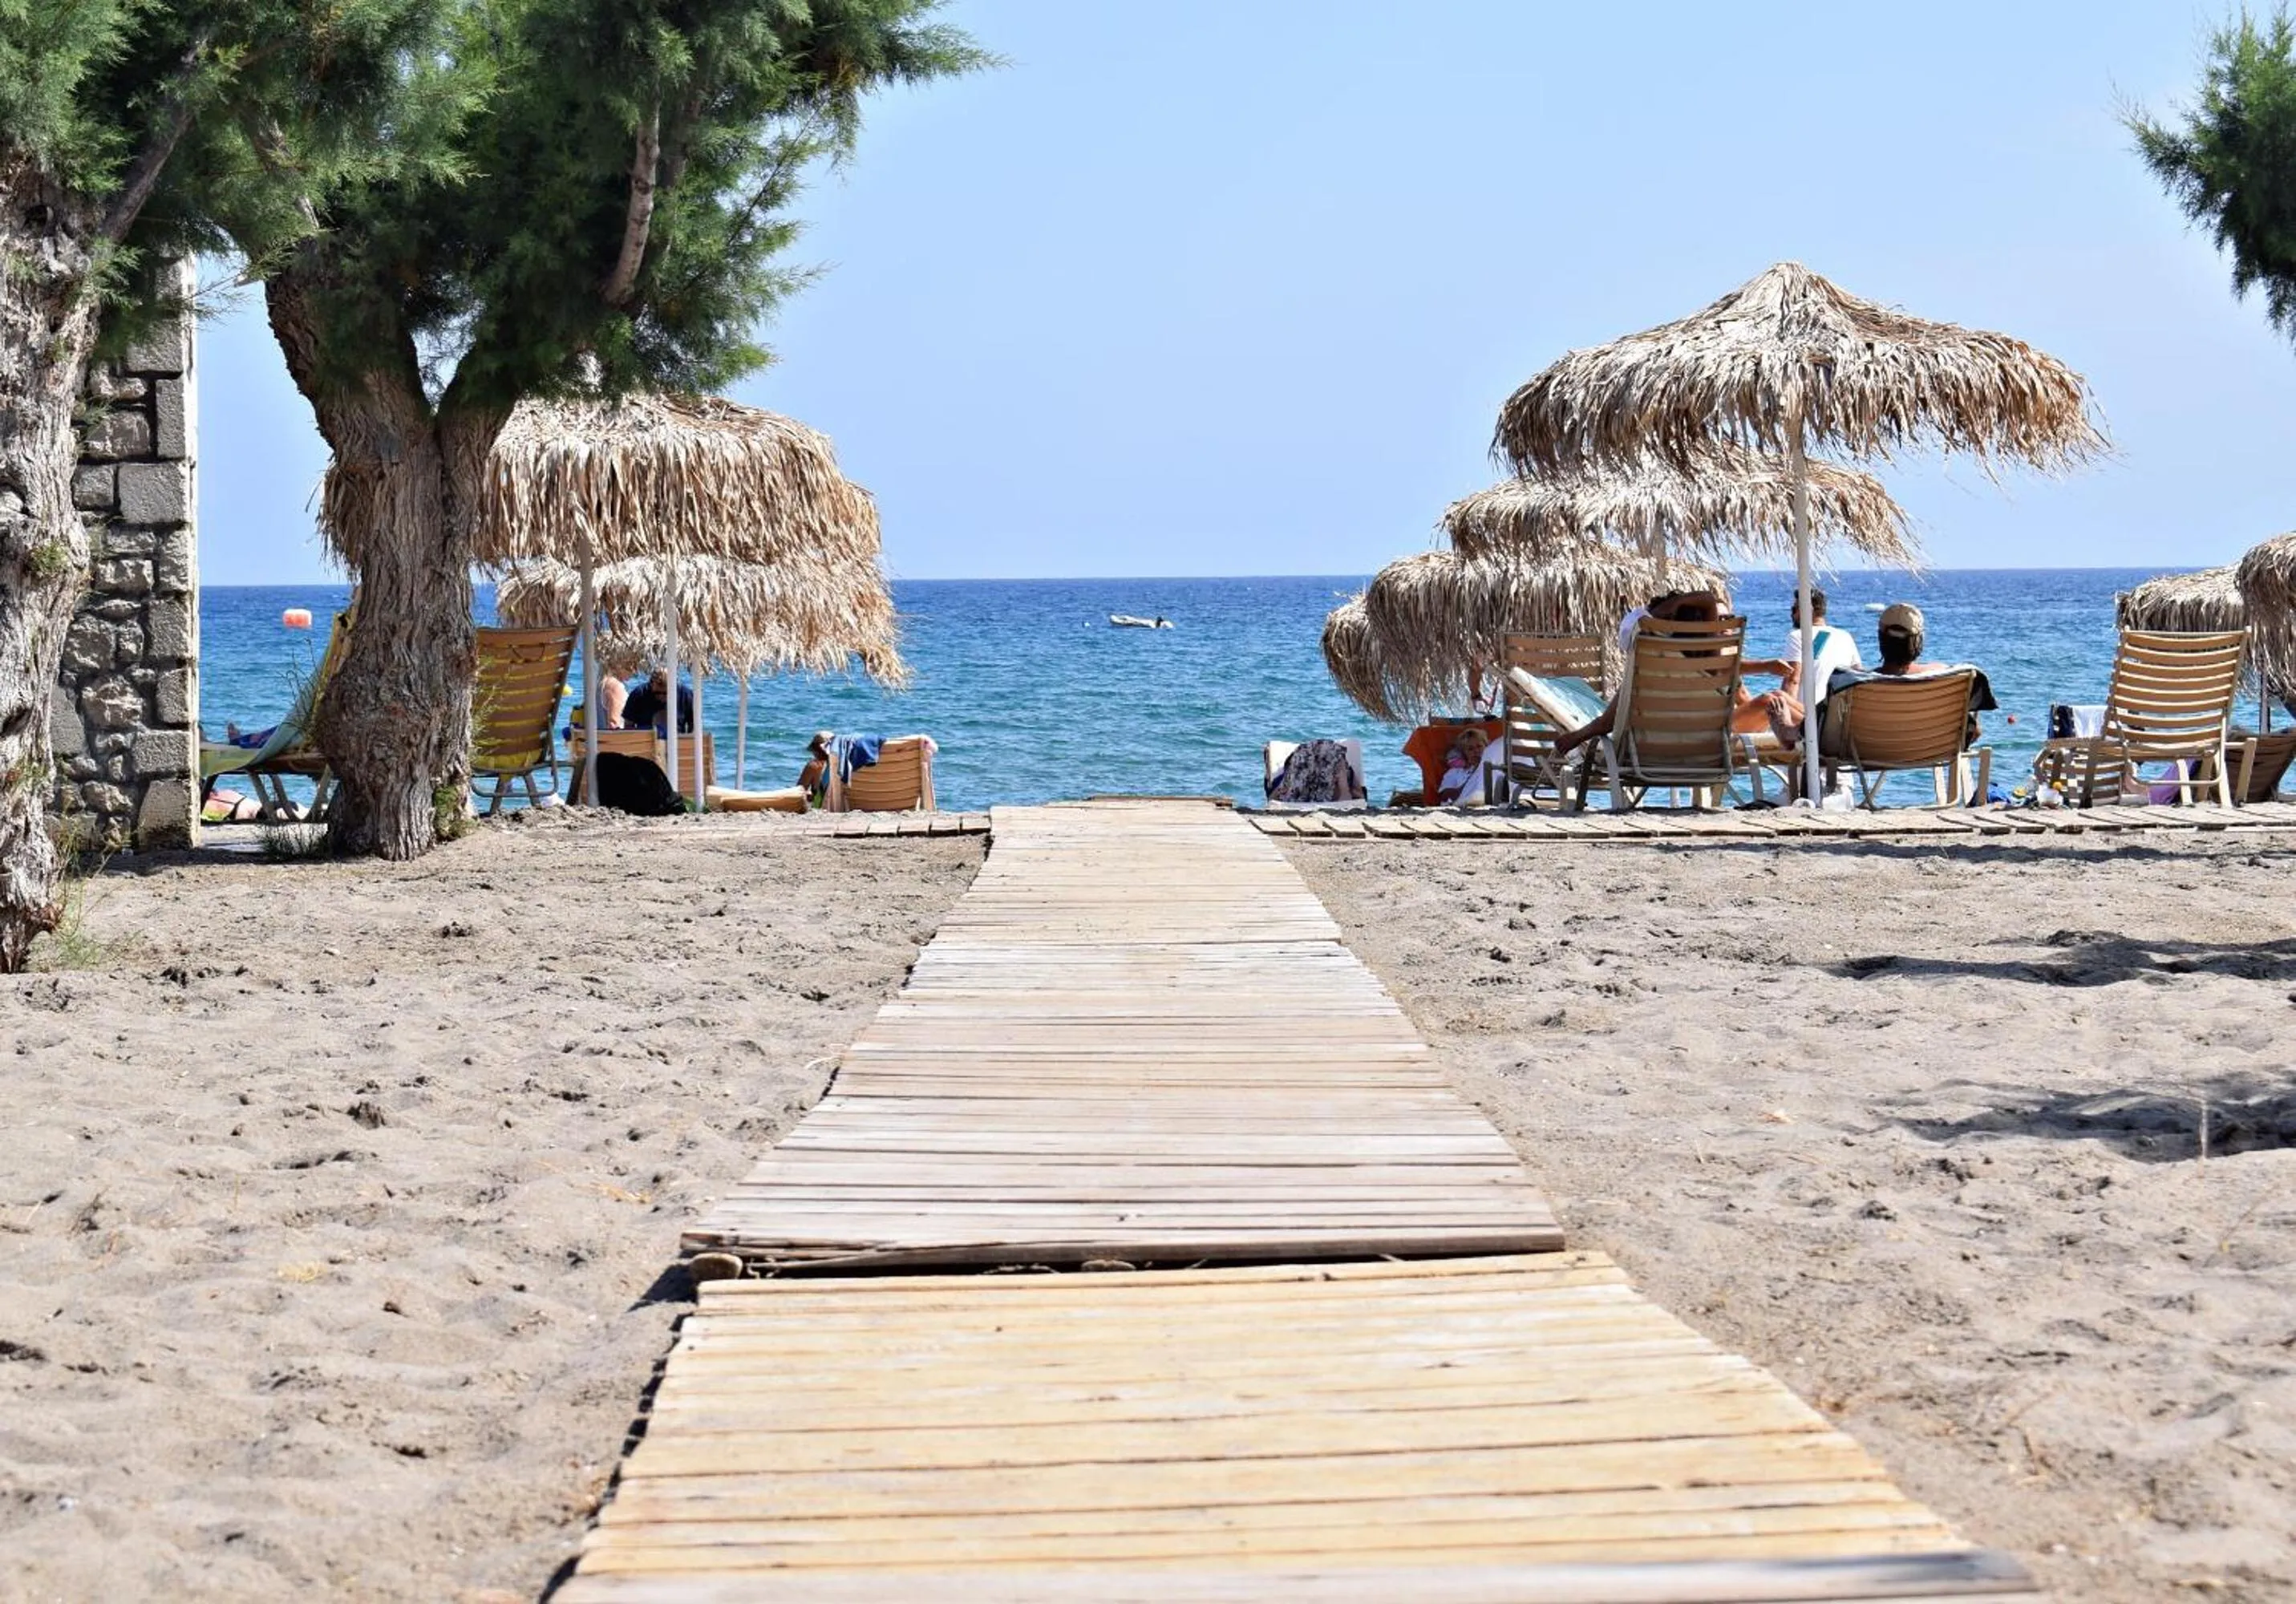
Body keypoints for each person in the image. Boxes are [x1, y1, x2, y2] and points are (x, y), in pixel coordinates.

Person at [1553, 589, 1730, 764]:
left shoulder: (1646, 673)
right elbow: (1707, 599)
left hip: (1645, 758)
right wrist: (1677, 604)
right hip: (1705, 755)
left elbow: (1605, 724)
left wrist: (1577, 736)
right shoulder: (1711, 668)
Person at [1735, 588, 1861, 744]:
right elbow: (1858, 676)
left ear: (1807, 610)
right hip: (1841, 722)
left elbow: (1792, 680)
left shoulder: (1798, 636)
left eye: (1794, 609)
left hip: (1805, 726)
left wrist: (1784, 720)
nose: (1791, 614)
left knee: (1776, 698)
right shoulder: (1845, 637)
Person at [622, 669, 693, 734]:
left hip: (677, 742)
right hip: (644, 742)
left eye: (666, 693)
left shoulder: (686, 696)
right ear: (651, 685)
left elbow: (694, 725)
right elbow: (628, 725)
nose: (661, 696)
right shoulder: (638, 694)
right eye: (657, 693)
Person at [1436, 727, 1491, 804]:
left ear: (1487, 747)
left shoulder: (1492, 768)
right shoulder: (1455, 772)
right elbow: (1445, 796)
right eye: (1470, 749)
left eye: (1479, 746)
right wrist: (1470, 780)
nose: (1476, 751)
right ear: (1464, 753)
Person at [799, 730, 836, 799]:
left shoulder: (814, 766)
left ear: (816, 749)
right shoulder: (846, 766)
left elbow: (799, 793)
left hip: (822, 805)